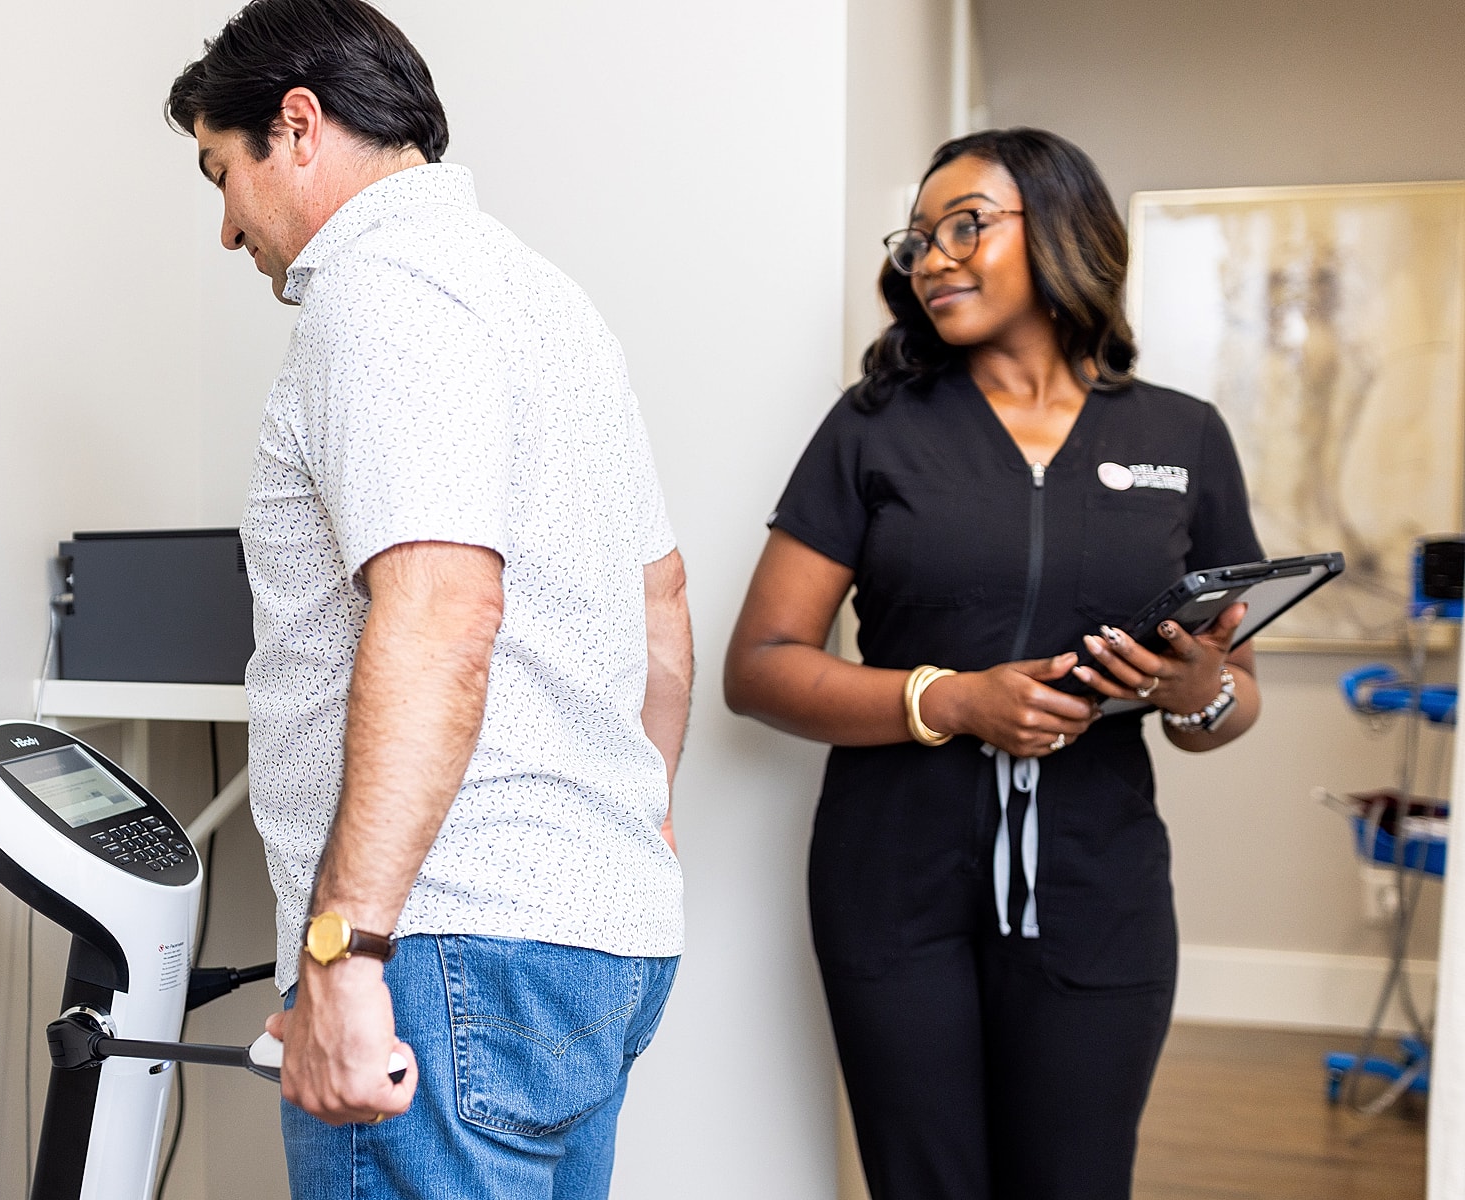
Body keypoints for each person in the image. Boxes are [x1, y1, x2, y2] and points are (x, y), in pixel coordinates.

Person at [166, 2, 691, 1195]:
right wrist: (634, 827)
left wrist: (348, 950)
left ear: (295, 127)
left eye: (221, 172)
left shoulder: (381, 295)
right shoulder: (545, 300)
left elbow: (443, 614)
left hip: (441, 948)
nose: (225, 226)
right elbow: (659, 607)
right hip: (594, 937)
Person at [723, 128, 1265, 1200]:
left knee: (1075, 1181)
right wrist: (950, 701)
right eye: (917, 238)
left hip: (1097, 885)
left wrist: (1194, 691)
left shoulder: (1183, 437)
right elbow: (760, 664)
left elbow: (1235, 694)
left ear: (1063, 228)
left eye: (964, 225)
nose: (932, 257)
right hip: (891, 884)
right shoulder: (873, 430)